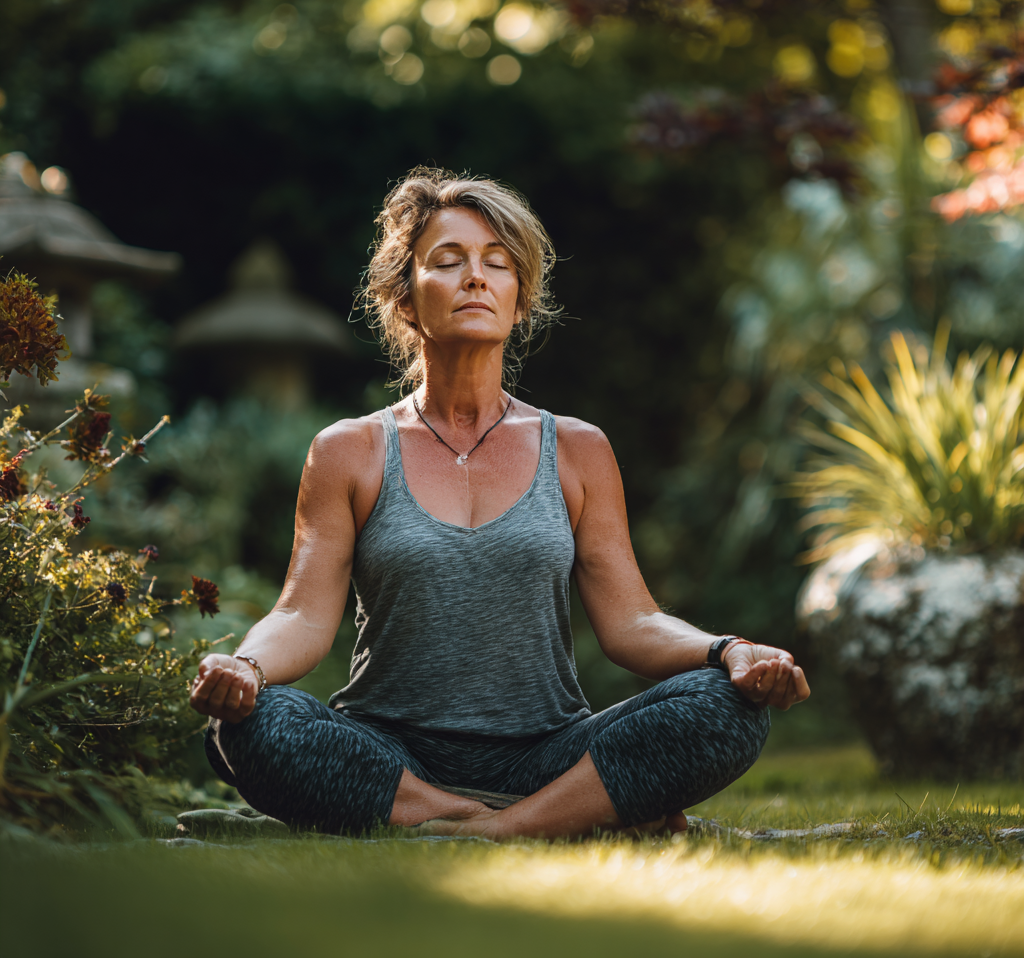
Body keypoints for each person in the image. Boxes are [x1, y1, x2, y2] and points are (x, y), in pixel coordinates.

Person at [189, 167, 810, 839]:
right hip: (389, 757)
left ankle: (491, 828)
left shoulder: (577, 449)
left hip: (546, 755)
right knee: (252, 723)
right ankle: (508, 818)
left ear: (519, 302)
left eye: (497, 263)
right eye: (447, 261)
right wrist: (244, 668)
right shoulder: (349, 450)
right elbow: (302, 617)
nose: (475, 278)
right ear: (405, 300)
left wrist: (729, 651)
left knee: (727, 704)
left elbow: (632, 622)